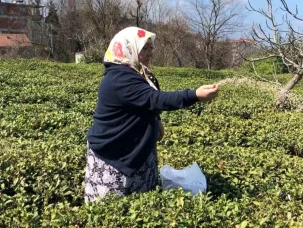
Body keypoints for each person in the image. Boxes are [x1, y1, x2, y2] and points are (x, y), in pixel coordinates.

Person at [84, 27, 219, 203]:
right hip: (115, 153)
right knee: (113, 208)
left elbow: (146, 104)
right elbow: (155, 98)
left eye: (150, 48)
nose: (150, 53)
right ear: (129, 49)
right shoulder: (119, 78)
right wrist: (194, 95)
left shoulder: (141, 72)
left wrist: (157, 121)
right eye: (144, 48)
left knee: (140, 205)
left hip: (138, 149)